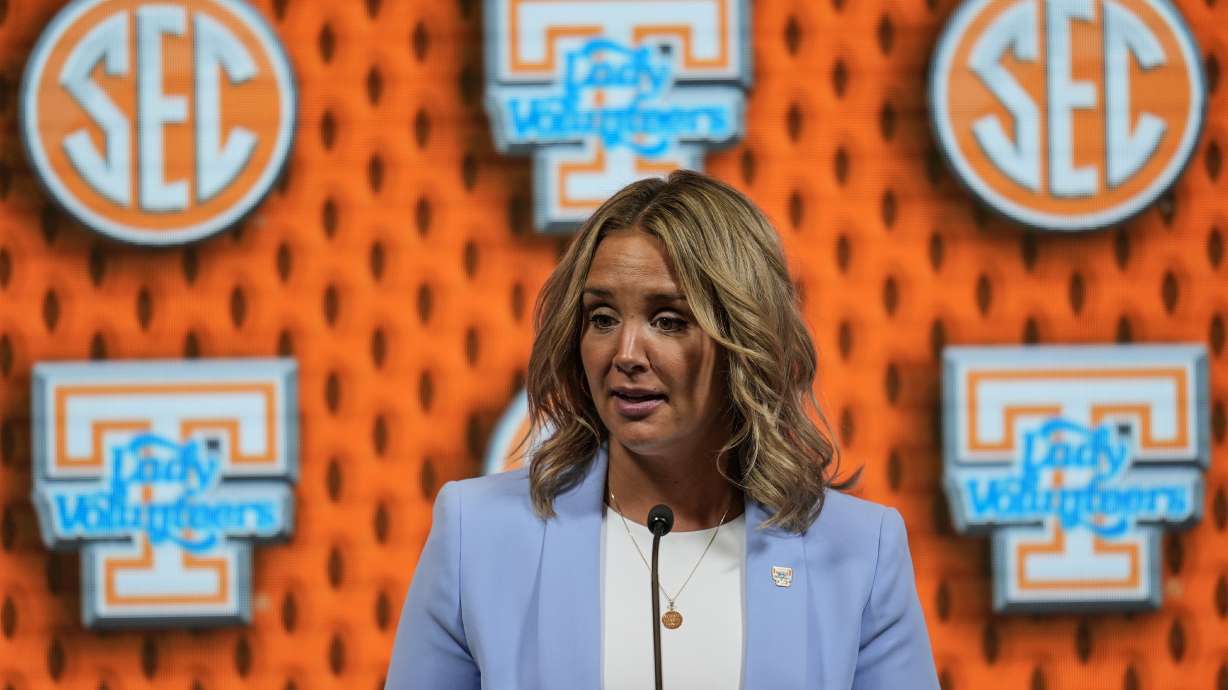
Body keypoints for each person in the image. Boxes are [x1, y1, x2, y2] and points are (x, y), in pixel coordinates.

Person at [384, 170, 939, 689]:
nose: (625, 354)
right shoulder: (476, 534)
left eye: (668, 320)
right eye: (602, 319)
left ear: (743, 340)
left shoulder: (860, 550)